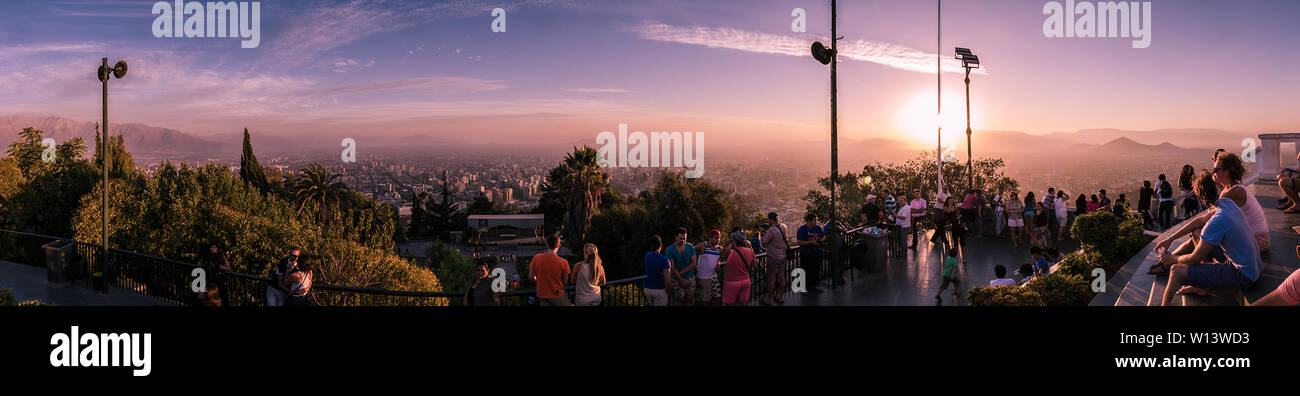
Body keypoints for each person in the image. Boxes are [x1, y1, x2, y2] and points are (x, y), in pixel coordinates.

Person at [1153, 171, 1261, 306]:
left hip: (1242, 275)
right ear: (1217, 188)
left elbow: (1194, 259)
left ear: (1199, 196)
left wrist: (1172, 259)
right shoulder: (1227, 203)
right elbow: (1199, 221)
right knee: (1197, 232)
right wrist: (1170, 239)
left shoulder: (1217, 221)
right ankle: (1202, 286)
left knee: (1175, 270)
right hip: (1252, 266)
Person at [529, 235, 571, 306]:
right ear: (559, 245)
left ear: (547, 244)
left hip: (542, 294)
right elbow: (565, 281)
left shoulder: (536, 258)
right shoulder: (563, 262)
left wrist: (539, 282)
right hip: (557, 294)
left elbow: (530, 277)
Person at [760, 212, 790, 305]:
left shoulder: (772, 230)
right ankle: (780, 297)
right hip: (783, 256)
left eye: (768, 219)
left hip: (773, 257)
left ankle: (768, 299)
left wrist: (762, 232)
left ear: (770, 219)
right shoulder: (784, 226)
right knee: (781, 277)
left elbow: (764, 242)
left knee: (771, 279)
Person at [663, 227, 698, 306]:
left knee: (690, 299)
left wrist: (681, 272)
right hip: (676, 279)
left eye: (684, 238)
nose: (683, 241)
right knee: (680, 300)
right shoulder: (670, 250)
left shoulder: (690, 247)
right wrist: (681, 279)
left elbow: (693, 263)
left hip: (690, 277)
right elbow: (672, 267)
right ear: (676, 237)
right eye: (681, 238)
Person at [722, 231, 755, 306]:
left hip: (732, 283)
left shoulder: (732, 254)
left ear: (735, 241)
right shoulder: (750, 251)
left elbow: (726, 266)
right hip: (746, 281)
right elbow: (754, 265)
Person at [796, 213, 825, 293]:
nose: (816, 222)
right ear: (809, 221)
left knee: (816, 270)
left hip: (816, 253)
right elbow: (799, 242)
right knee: (805, 271)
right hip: (806, 254)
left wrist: (820, 241)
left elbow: (823, 236)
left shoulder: (818, 228)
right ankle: (804, 288)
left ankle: (815, 285)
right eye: (814, 220)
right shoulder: (802, 229)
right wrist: (811, 242)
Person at [694, 230, 723, 306]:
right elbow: (691, 252)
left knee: (717, 298)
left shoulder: (719, 249)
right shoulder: (703, 245)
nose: (718, 240)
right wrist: (695, 264)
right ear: (710, 238)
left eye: (719, 238)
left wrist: (718, 264)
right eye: (716, 238)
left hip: (714, 277)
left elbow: (719, 259)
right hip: (703, 277)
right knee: (705, 301)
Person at [643, 235, 672, 306]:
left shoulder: (647, 255)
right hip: (659, 290)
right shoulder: (664, 260)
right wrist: (669, 291)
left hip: (647, 289)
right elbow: (667, 279)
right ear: (661, 245)